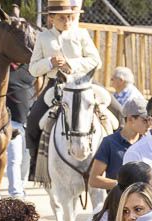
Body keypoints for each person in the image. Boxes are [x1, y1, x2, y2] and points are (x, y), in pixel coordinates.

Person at [25, 0, 102, 181]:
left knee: (116, 113)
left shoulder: (81, 34)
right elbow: (33, 69)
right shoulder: (43, 37)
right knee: (33, 122)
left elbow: (95, 60)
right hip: (55, 85)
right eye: (62, 18)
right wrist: (50, 63)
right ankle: (37, 164)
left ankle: (115, 160)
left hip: (83, 83)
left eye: (69, 17)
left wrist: (71, 64)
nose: (67, 21)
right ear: (51, 18)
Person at [90, 96, 148, 192]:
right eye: (145, 120)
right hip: (117, 203)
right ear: (130, 119)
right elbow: (94, 180)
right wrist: (125, 186)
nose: (149, 124)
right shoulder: (109, 143)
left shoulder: (148, 143)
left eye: (150, 120)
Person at [5, 63, 35, 199]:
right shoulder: (3, 67)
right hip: (11, 121)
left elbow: (38, 81)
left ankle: (21, 187)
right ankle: (15, 193)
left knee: (26, 158)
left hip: (29, 120)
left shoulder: (29, 66)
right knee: (14, 158)